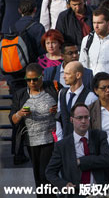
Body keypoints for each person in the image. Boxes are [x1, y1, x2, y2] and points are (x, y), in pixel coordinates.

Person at [9, 63, 58, 196]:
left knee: (45, 174)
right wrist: (20, 113)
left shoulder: (52, 88)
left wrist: (57, 109)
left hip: (50, 139)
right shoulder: (21, 94)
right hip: (31, 141)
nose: (32, 82)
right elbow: (13, 119)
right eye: (28, 80)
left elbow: (64, 107)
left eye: (35, 79)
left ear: (42, 77)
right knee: (37, 175)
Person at [45, 103, 109, 192]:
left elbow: (107, 159)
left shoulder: (99, 136)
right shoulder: (62, 145)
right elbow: (50, 172)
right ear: (71, 120)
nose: (83, 121)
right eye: (79, 118)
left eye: (86, 117)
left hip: (99, 191)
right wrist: (64, 184)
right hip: (76, 192)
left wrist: (81, 161)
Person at [55, 61, 98, 141]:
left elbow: (94, 124)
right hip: (65, 142)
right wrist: (60, 140)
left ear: (78, 75)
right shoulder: (62, 93)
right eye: (64, 73)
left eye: (67, 74)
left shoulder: (91, 97)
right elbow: (59, 118)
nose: (64, 77)